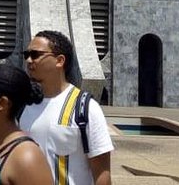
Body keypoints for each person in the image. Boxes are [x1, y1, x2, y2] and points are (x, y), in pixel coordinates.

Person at [19, 30, 114, 185]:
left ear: (60, 60)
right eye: (26, 55)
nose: (29, 60)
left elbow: (102, 174)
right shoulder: (22, 105)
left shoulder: (85, 108)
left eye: (35, 55)